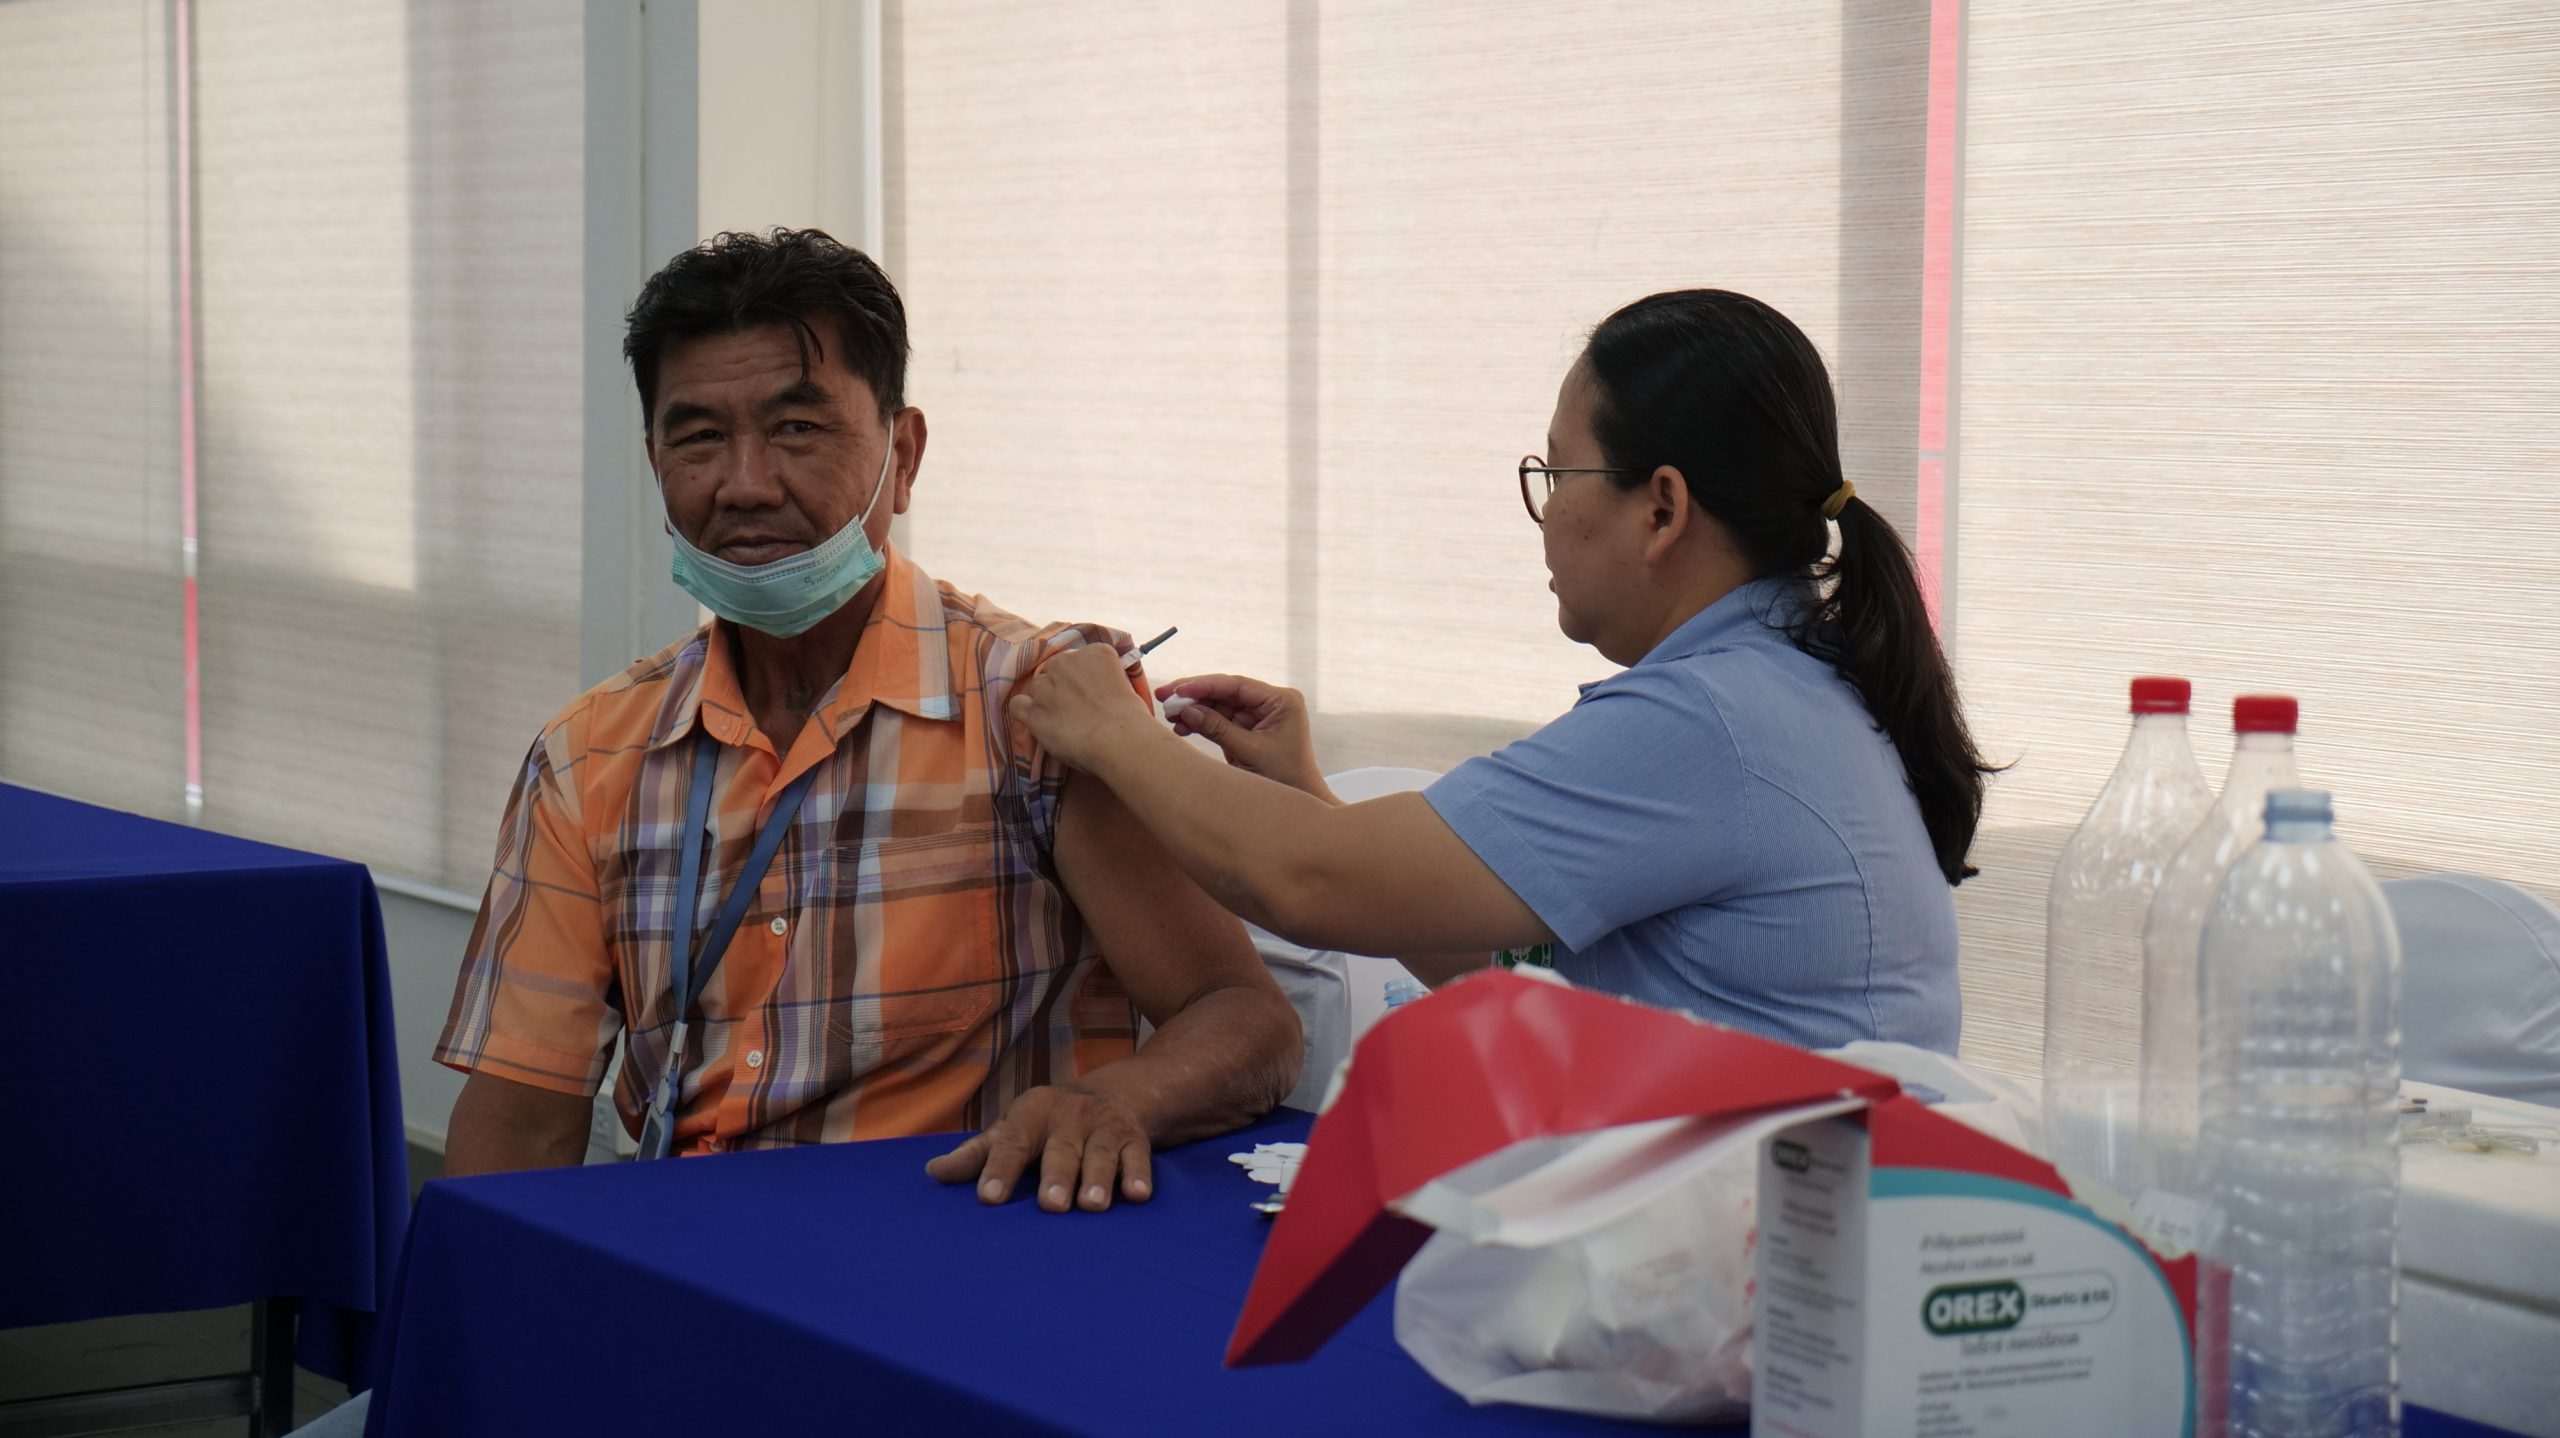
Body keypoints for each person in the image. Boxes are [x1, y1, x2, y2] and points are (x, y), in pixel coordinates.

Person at [434, 228, 1301, 1208]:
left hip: (956, 1249)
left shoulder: (1040, 709)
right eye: (699, 437)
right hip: (689, 1253)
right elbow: (521, 1116)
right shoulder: (591, 753)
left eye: (798, 428)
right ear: (654, 461)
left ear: (904, 454)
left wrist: (1111, 1103)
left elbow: (1243, 1018)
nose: (745, 483)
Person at [1011, 289, 1994, 1053]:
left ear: (1661, 508)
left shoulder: (1710, 722)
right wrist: (1305, 793)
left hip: (1767, 1233)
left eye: (1557, 474)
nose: (1546, 513)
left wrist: (1115, 733)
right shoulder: (1790, 681)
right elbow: (1527, 981)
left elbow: (1305, 880)